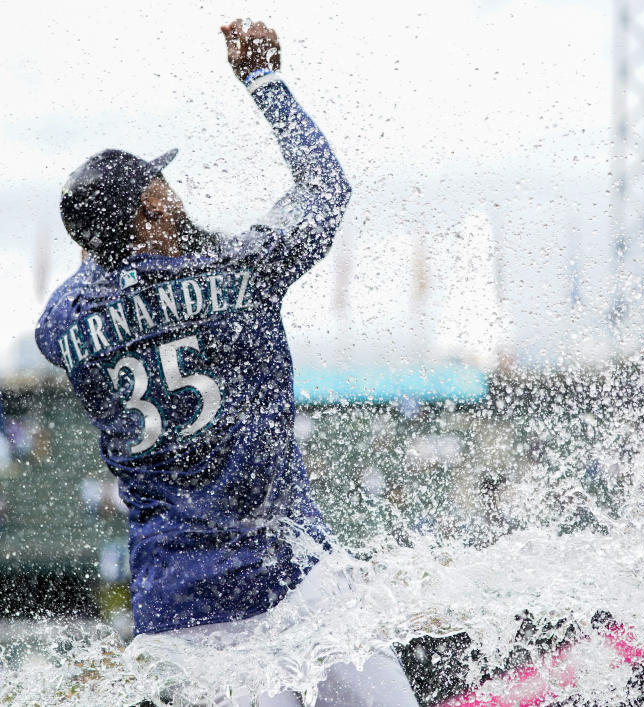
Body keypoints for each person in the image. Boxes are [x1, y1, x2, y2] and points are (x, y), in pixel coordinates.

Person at [35, 18, 419, 707]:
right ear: (154, 206)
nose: (177, 196)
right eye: (165, 189)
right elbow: (324, 190)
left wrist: (102, 247)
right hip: (295, 575)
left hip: (181, 614)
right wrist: (264, 81)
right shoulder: (243, 269)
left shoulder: (63, 324)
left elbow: (82, 297)